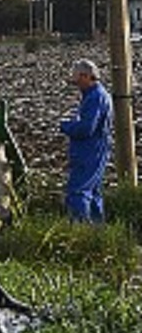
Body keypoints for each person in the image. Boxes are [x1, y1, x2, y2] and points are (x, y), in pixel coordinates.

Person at [60, 58, 113, 223]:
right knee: (93, 190)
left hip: (90, 150)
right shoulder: (97, 95)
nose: (75, 83)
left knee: (78, 190)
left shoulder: (95, 98)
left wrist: (66, 126)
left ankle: (81, 230)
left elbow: (86, 128)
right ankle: (97, 231)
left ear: (85, 76)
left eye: (76, 79)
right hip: (96, 148)